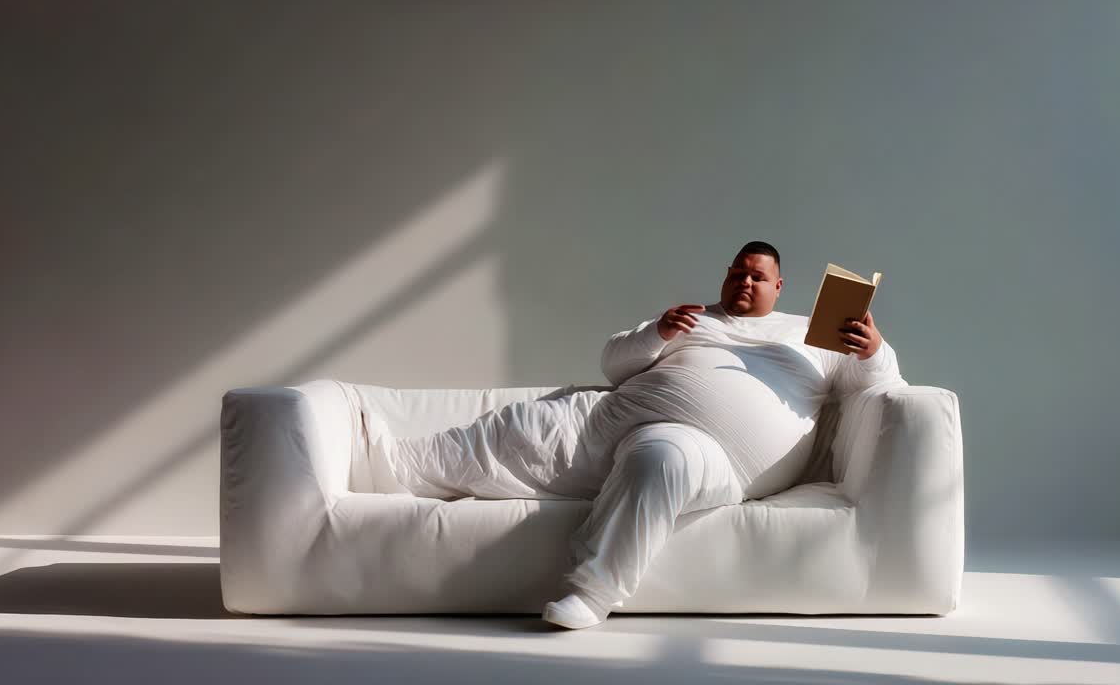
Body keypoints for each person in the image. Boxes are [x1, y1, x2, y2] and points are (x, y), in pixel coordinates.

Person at [361, 241, 903, 629]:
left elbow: (876, 388)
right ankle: (386, 463)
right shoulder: (693, 318)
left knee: (662, 459)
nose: (744, 281)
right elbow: (615, 363)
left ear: (779, 286)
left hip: (712, 454)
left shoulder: (810, 337)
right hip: (614, 417)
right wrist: (657, 331)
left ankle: (592, 592)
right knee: (519, 428)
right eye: (737, 272)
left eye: (757, 276)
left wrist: (873, 349)